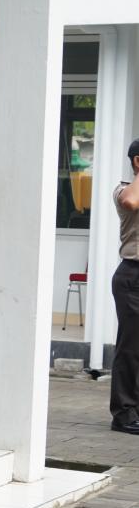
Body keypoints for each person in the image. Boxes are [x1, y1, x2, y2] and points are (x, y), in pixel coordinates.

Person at [110, 139, 139, 434]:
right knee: (130, 348)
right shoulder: (123, 190)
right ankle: (123, 414)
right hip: (133, 277)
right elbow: (131, 202)